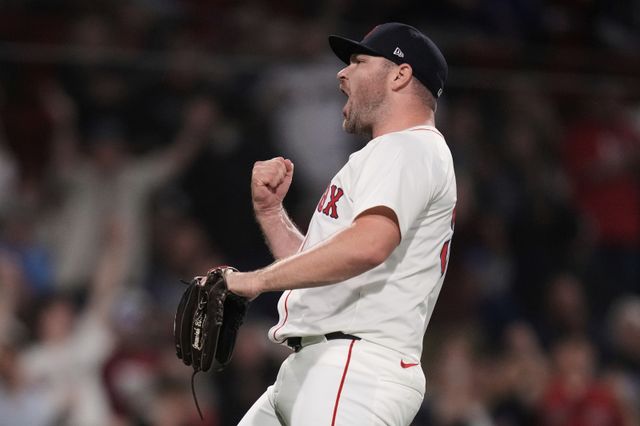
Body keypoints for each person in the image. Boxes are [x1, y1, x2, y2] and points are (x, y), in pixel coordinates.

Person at [227, 22, 456, 425]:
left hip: (353, 370)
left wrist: (255, 281)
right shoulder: (396, 153)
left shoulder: (408, 146)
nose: (342, 73)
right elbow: (324, 275)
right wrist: (272, 215)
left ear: (400, 75)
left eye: (359, 61)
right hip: (324, 366)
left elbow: (368, 246)